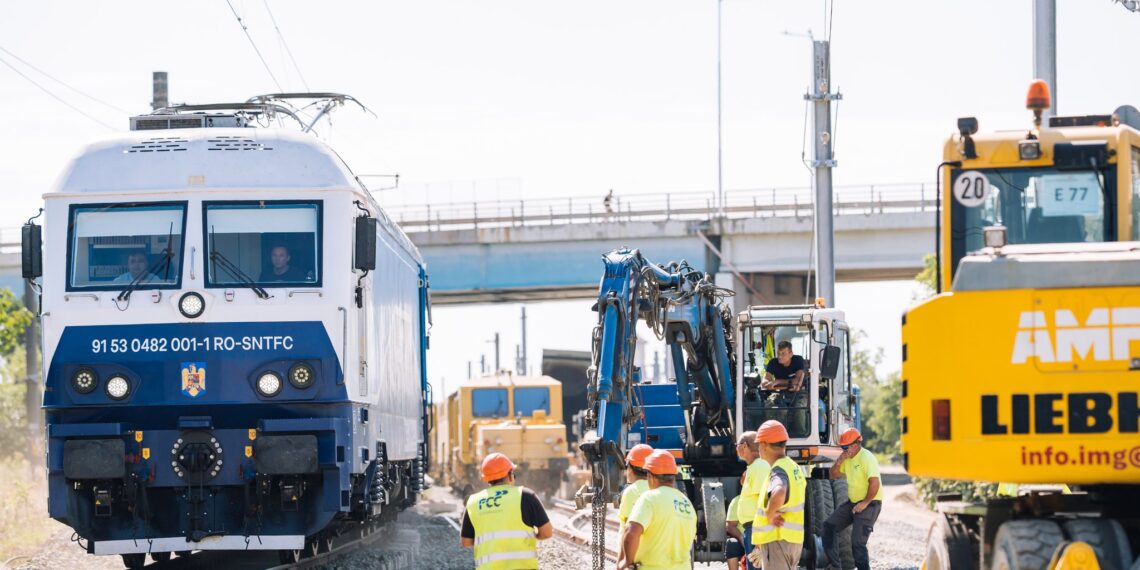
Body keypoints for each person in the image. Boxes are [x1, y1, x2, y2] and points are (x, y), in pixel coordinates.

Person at [460, 453, 553, 570]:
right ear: (510, 475)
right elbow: (547, 532)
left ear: (486, 478)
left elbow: (466, 542)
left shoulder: (473, 501)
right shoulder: (526, 495)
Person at [619, 450, 697, 570]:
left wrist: (627, 562)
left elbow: (631, 533)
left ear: (650, 476)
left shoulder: (649, 498)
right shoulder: (686, 503)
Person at [748, 420, 806, 570]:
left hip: (778, 540)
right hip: (792, 541)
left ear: (765, 445)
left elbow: (779, 491)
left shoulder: (778, 470)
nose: (758, 448)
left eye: (759, 444)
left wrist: (770, 514)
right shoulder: (793, 466)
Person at [824, 428, 882, 570]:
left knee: (857, 543)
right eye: (842, 447)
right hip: (853, 503)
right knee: (828, 527)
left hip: (870, 503)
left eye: (845, 447)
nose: (843, 450)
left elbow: (875, 483)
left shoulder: (866, 457)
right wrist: (839, 461)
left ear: (855, 445)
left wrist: (865, 503)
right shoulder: (847, 458)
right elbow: (833, 475)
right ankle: (835, 565)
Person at [735, 431, 770, 570]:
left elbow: (765, 502)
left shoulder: (760, 467)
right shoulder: (755, 467)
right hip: (753, 529)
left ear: (744, 446)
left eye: (736, 445)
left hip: (756, 530)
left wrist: (760, 542)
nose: (735, 448)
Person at [763, 340, 808, 437]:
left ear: (791, 354)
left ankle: (801, 436)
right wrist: (769, 384)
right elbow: (764, 382)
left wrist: (777, 382)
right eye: (778, 353)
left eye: (783, 354)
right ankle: (774, 436)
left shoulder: (798, 360)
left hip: (800, 393)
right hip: (780, 393)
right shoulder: (773, 363)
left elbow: (797, 380)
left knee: (799, 408)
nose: (780, 356)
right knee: (769, 406)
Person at [618, 444, 654, 562]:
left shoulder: (632, 491)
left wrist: (622, 561)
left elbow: (628, 531)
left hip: (637, 558)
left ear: (630, 469)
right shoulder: (659, 489)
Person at [724, 473, 746, 570]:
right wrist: (741, 538)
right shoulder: (737, 501)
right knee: (731, 544)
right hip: (743, 538)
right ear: (742, 483)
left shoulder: (764, 500)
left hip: (761, 539)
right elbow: (730, 525)